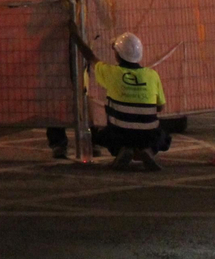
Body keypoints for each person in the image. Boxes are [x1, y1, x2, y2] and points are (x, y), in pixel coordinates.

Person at [70, 22, 168, 171]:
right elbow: (160, 107)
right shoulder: (152, 75)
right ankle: (147, 150)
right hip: (147, 135)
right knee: (163, 136)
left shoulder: (112, 73)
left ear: (117, 55)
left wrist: (75, 35)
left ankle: (123, 149)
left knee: (102, 135)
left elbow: (90, 56)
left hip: (121, 133)